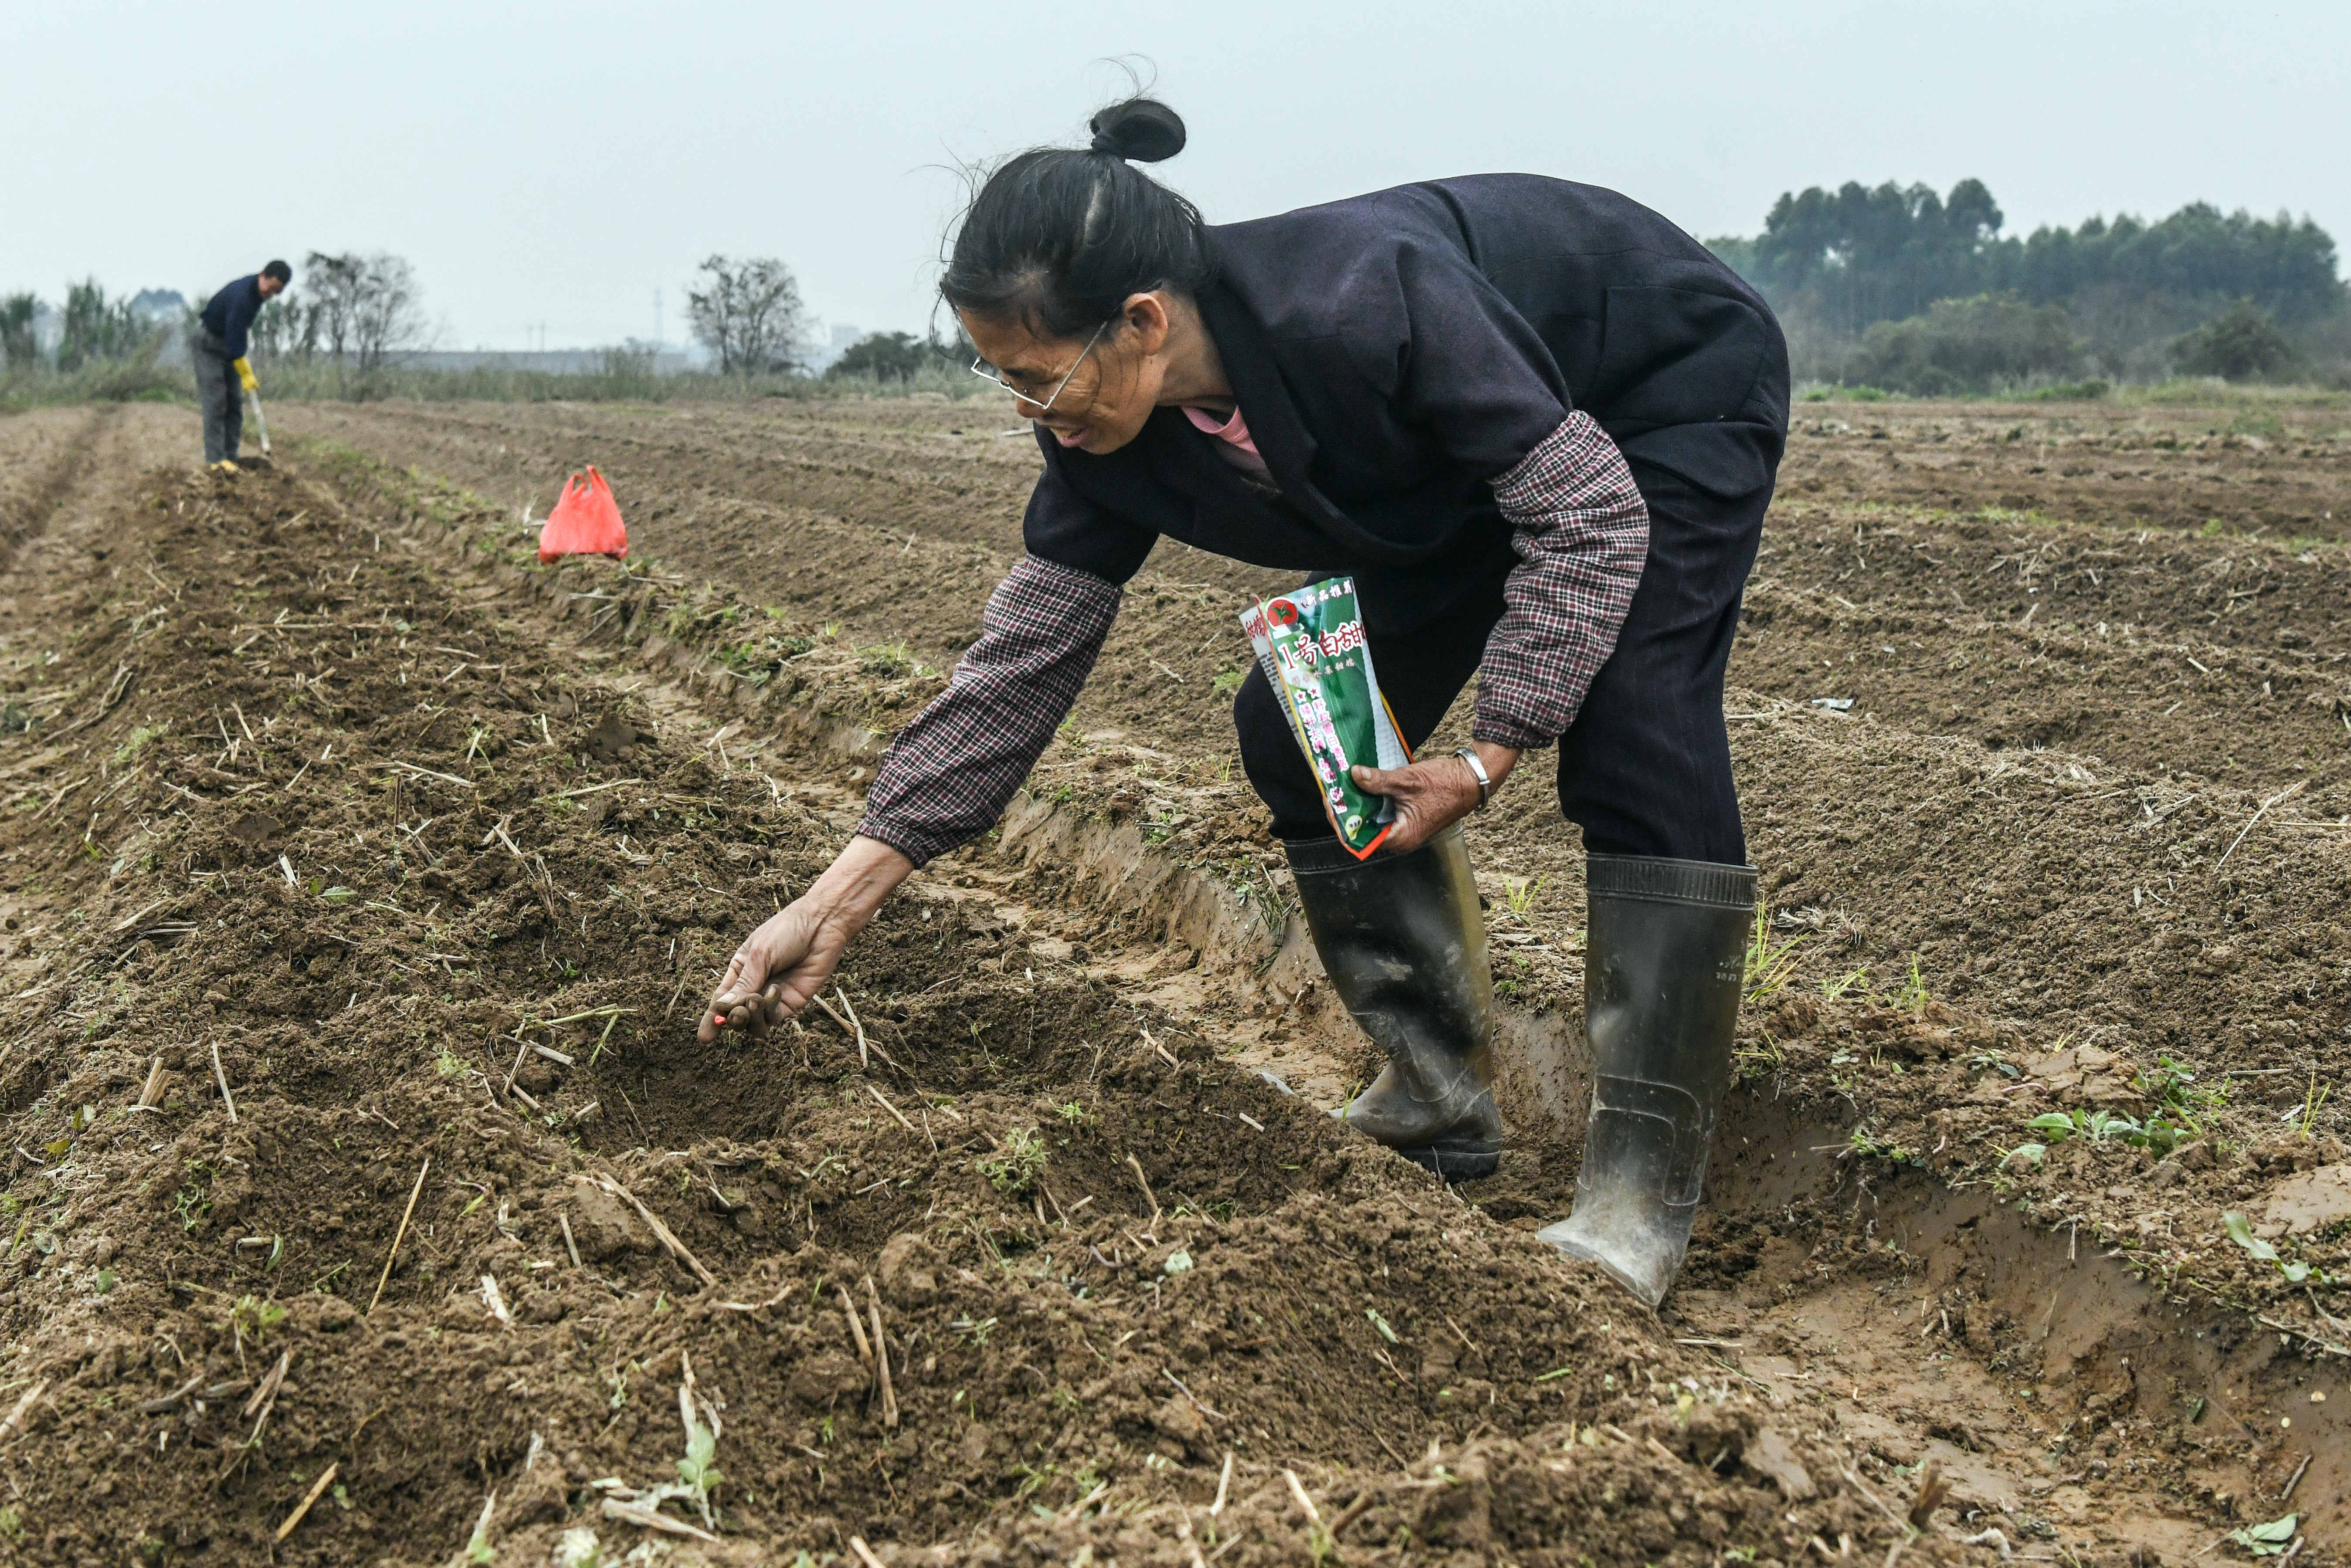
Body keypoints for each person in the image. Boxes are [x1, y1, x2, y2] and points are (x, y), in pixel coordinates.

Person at [699, 99, 1788, 1308]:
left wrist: (1491, 752)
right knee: (1295, 726)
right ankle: (1435, 1094)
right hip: (1458, 473)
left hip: (1655, 387)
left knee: (1636, 726)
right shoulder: (1104, 443)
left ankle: (1638, 1198)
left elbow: (1582, 512)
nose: (1028, 410)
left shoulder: (1366, 302)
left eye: (1034, 374)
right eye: (999, 381)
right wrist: (835, 897)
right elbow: (1023, 662)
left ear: (1144, 321)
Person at [193, 261, 291, 470]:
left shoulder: (258, 295)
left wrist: (241, 360)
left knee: (235, 401)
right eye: (270, 288)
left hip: (229, 345)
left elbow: (239, 331)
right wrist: (243, 367)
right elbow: (235, 327)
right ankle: (217, 462)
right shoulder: (243, 295)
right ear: (263, 276)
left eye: (276, 293)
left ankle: (231, 457)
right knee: (216, 400)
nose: (270, 295)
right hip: (209, 343)